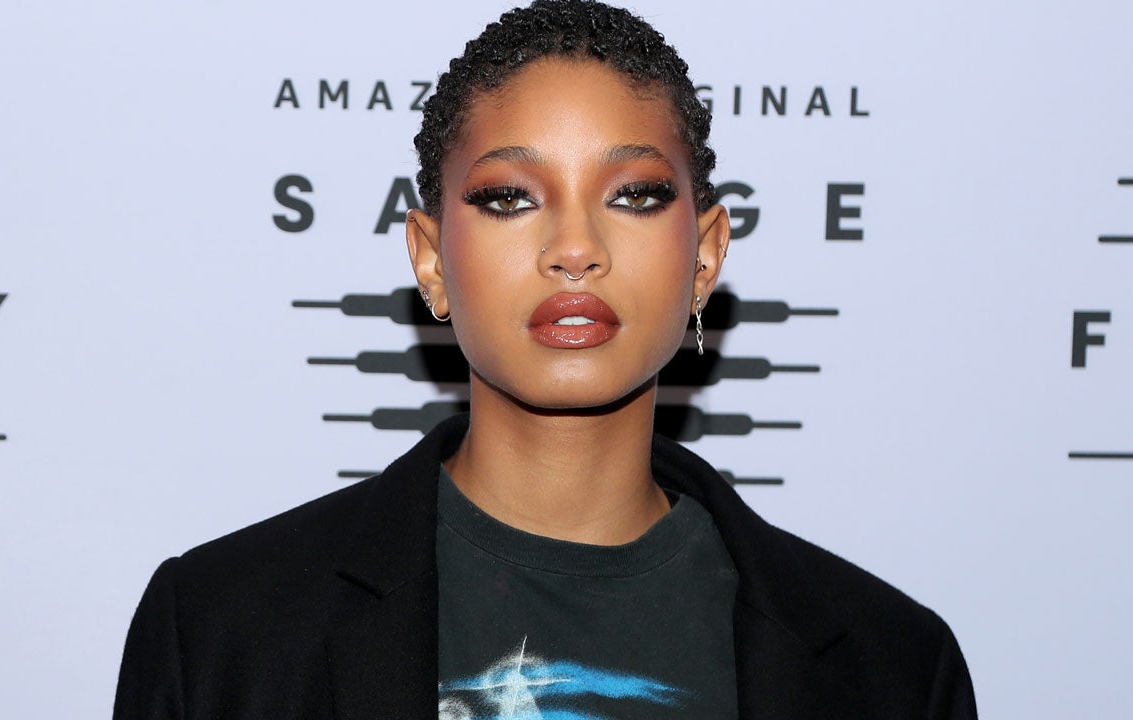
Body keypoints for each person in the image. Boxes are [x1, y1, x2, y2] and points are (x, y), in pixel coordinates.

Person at [114, 1, 977, 718]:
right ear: (431, 260)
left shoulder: (895, 668)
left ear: (705, 256)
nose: (575, 248)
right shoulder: (219, 631)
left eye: (634, 195)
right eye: (508, 198)